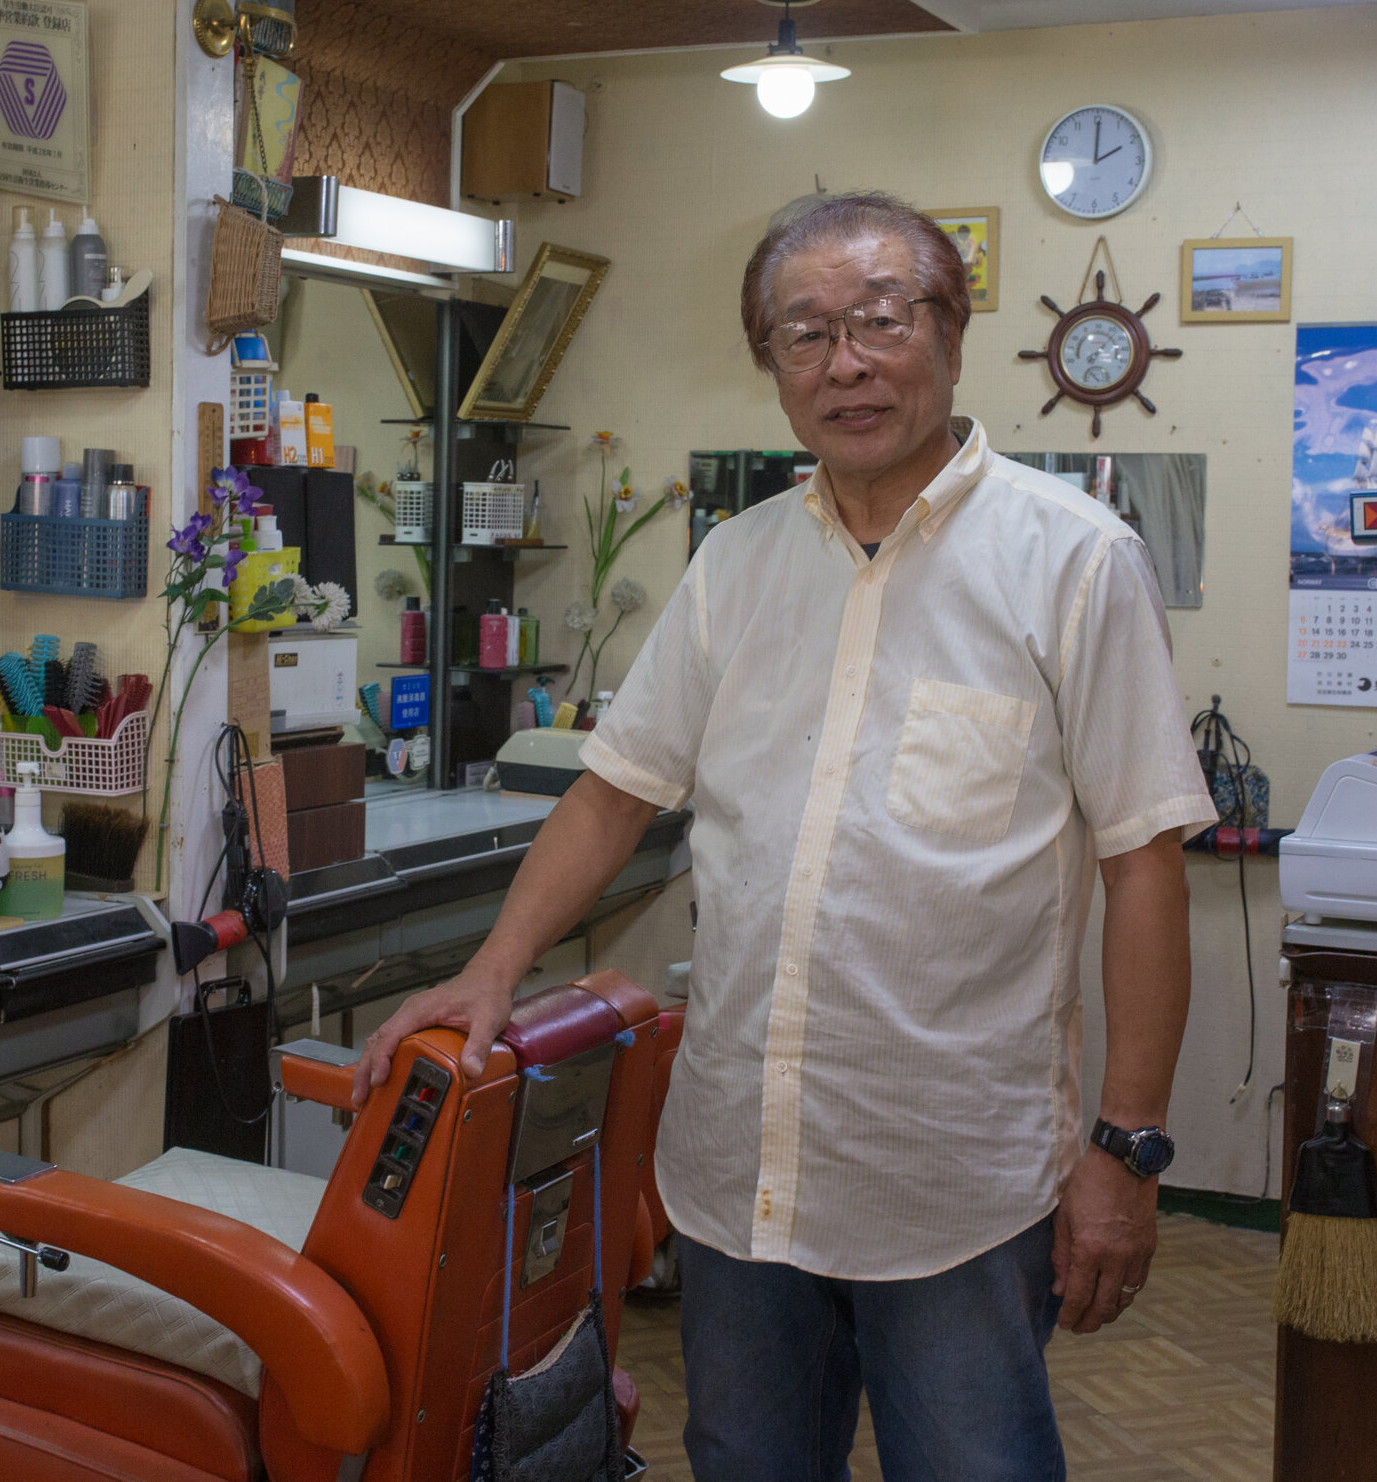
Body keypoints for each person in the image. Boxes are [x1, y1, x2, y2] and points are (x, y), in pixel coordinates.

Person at [353, 191, 1214, 1482]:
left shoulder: (1074, 564)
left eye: (880, 320)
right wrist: (491, 971)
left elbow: (1145, 865)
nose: (846, 364)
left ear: (952, 333)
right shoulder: (735, 569)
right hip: (737, 1173)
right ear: (770, 365)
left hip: (958, 1186)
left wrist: (1129, 1149)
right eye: (804, 334)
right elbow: (613, 791)